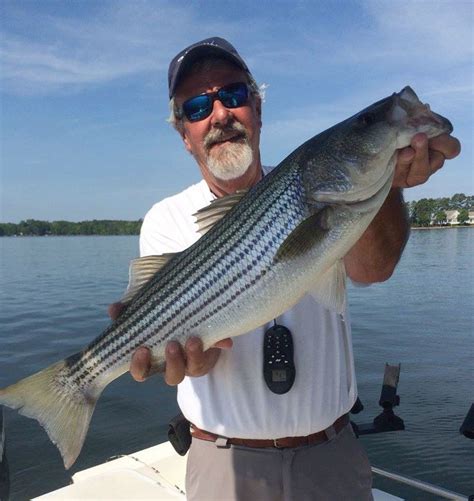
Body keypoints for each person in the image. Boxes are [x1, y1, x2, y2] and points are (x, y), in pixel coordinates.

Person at [109, 37, 461, 500]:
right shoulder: (166, 219)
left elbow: (374, 269)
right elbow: (194, 353)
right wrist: (192, 358)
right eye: (197, 106)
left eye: (233, 96)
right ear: (183, 133)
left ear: (257, 107)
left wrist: (388, 184)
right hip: (224, 461)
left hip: (331, 453)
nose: (220, 115)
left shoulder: (314, 185)